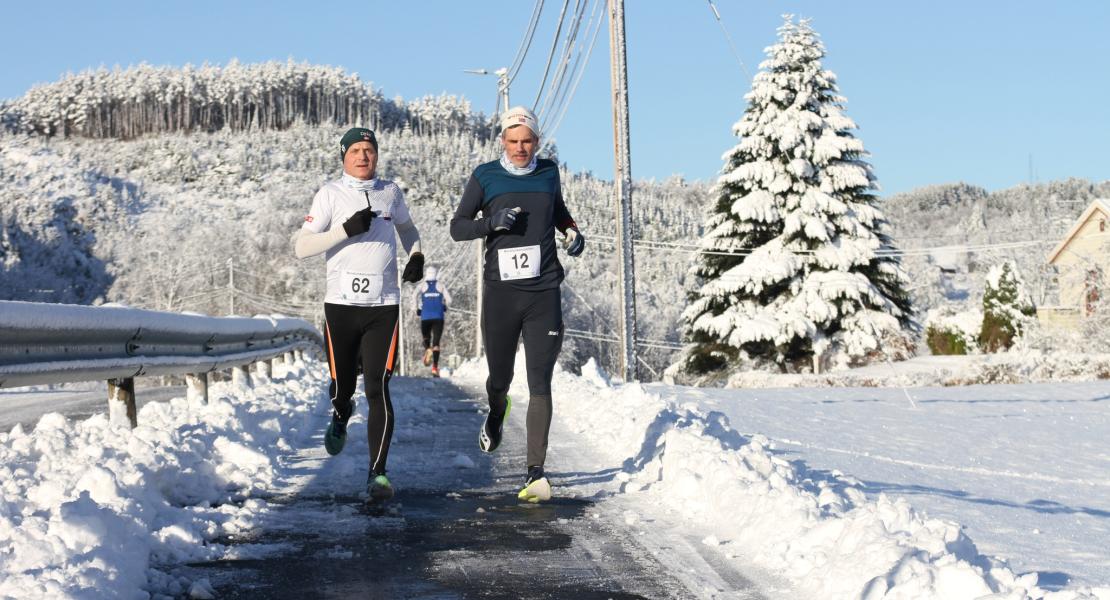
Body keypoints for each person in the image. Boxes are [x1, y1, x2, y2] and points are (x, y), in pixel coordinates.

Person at [449, 106, 585, 503]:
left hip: (543, 291)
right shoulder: (485, 176)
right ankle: (496, 409)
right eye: (513, 141)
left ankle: (535, 474)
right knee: (500, 378)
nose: (521, 147)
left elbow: (559, 213)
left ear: (538, 142)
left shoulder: (549, 173)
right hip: (501, 294)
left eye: (527, 141)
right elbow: (458, 227)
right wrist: (491, 223)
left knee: (540, 380)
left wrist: (572, 233)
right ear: (503, 142)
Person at [292, 127, 424, 504]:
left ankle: (377, 473)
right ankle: (340, 411)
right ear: (344, 156)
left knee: (378, 387)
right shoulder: (330, 194)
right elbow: (302, 247)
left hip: (383, 306)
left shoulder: (390, 192)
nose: (363, 156)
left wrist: (415, 255)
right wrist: (344, 230)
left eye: (369, 150)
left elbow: (408, 228)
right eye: (356, 151)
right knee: (342, 385)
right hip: (341, 306)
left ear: (377, 155)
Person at [415, 265, 452, 377]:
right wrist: (445, 306)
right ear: (436, 274)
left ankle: (427, 349)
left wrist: (416, 308)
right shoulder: (440, 285)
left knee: (426, 338)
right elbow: (449, 299)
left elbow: (413, 296)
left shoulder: (422, 285)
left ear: (426, 274)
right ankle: (435, 368)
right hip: (438, 317)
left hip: (425, 316)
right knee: (436, 343)